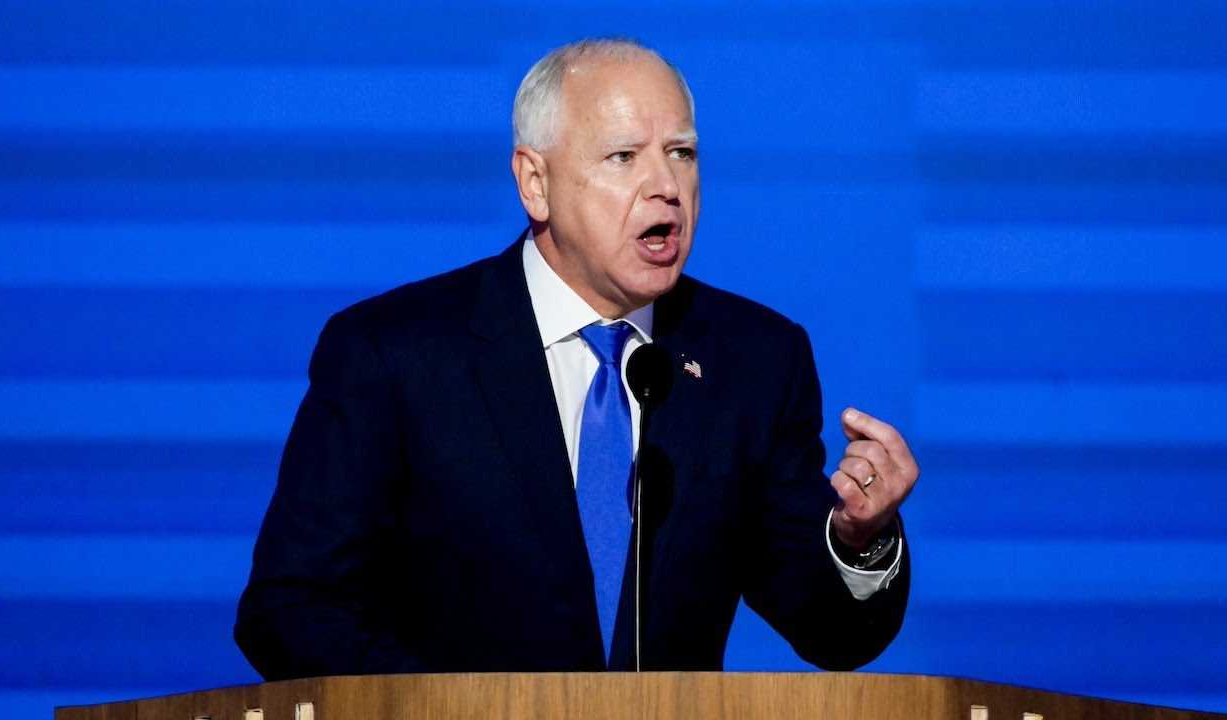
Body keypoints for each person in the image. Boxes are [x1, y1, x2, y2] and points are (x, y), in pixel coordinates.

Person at [234, 38, 918, 679]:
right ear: (535, 183)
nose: (667, 187)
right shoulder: (394, 353)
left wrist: (861, 540)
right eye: (624, 158)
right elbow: (289, 610)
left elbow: (833, 632)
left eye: (682, 153)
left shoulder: (755, 361)